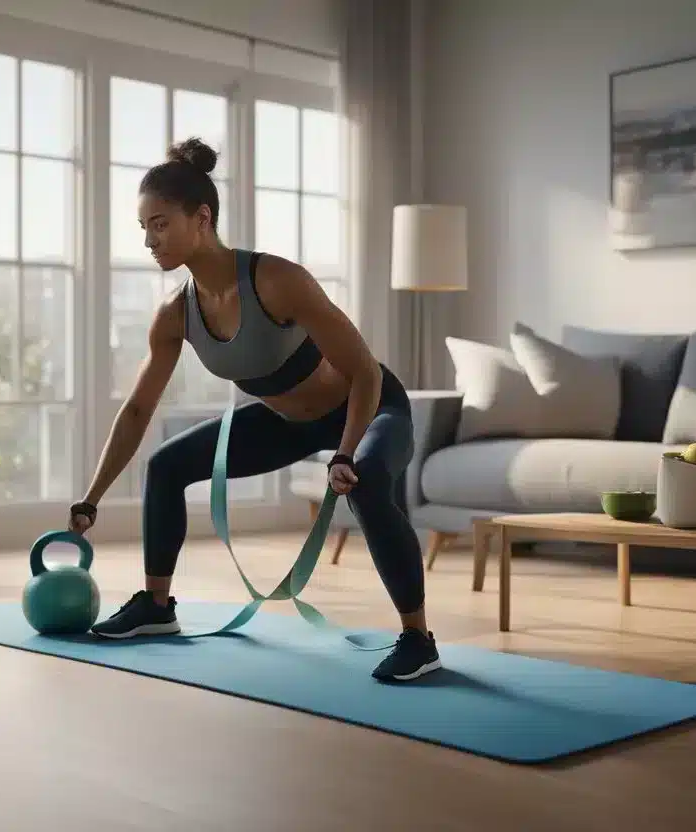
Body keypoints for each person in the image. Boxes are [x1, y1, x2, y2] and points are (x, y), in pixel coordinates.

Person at [66, 137, 439, 682]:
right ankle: (156, 606)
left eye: (160, 223)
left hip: (370, 407)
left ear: (202, 217)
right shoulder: (176, 315)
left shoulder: (275, 280)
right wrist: (91, 498)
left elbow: (365, 371)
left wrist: (344, 452)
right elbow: (138, 409)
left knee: (367, 482)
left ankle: (417, 637)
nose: (149, 239)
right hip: (288, 423)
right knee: (166, 466)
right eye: (143, 227)